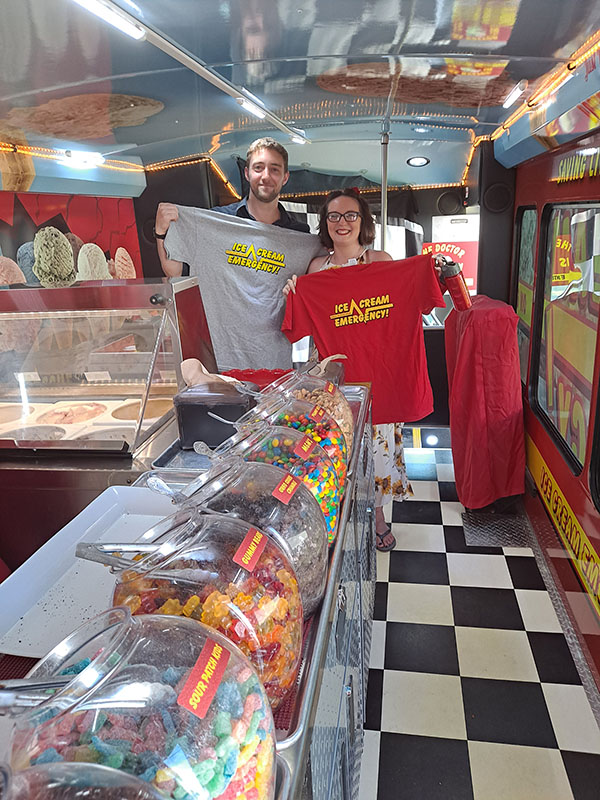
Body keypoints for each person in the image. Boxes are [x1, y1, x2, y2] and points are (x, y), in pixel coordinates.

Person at [283, 188, 413, 551]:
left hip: (378, 371)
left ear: (363, 221)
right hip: (332, 377)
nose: (342, 223)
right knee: (336, 447)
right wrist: (296, 293)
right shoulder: (316, 269)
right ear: (325, 223)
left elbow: (401, 310)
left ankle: (378, 518)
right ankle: (336, 518)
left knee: (378, 447)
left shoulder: (381, 260)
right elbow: (304, 322)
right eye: (334, 216)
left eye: (350, 215)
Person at [154, 137, 309, 278]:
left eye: (274, 169)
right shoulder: (217, 221)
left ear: (285, 177)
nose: (266, 176)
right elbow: (176, 272)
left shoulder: (300, 234)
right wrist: (160, 233)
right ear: (247, 174)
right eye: (258, 168)